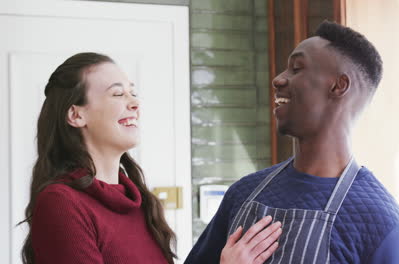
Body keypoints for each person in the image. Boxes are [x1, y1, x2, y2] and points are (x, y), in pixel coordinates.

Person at [185, 21, 399, 264]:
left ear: (339, 86)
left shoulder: (380, 223)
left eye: (296, 69)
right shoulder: (244, 194)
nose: (277, 80)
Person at [20, 52, 282, 264]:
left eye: (133, 92)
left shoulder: (139, 201)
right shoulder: (61, 203)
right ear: (76, 115)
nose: (134, 103)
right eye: (117, 93)